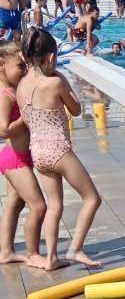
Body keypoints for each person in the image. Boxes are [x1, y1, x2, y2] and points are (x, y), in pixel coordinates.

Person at [17, 29, 102, 268]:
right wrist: (64, 81)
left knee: (54, 205)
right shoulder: (55, 82)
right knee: (92, 198)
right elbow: (76, 110)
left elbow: (27, 118)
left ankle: (51, 258)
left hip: (38, 151)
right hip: (59, 150)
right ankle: (76, 249)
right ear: (52, 57)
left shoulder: (21, 85)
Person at [0, 41, 48, 267]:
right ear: (2, 65)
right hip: (14, 160)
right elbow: (3, 130)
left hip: (20, 157)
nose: (24, 70)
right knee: (38, 206)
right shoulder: (4, 95)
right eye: (20, 66)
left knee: (14, 204)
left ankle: (5, 252)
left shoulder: (14, 91)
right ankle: (33, 254)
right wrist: (25, 117)